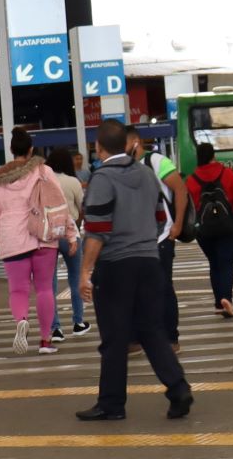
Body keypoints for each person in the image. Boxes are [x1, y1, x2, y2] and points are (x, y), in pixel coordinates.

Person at [77, 120, 193, 421]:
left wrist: (85, 271)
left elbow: (97, 230)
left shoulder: (102, 179)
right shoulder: (145, 173)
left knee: (115, 337)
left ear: (98, 147)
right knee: (152, 330)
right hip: (149, 261)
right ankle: (178, 388)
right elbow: (158, 217)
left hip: (116, 266)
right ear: (128, 144)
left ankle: (112, 404)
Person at [0, 128, 78, 356]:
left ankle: (21, 320)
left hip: (12, 239)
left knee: (17, 290)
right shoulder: (43, 171)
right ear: (31, 150)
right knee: (44, 289)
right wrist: (70, 233)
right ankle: (46, 341)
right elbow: (59, 205)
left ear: (11, 150)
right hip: (42, 236)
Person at [127, 129, 188, 351]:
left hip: (161, 236)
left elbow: (180, 189)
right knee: (134, 288)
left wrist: (178, 224)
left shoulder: (156, 160)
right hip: (134, 240)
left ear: (135, 142)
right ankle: (134, 338)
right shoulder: (124, 166)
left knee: (162, 287)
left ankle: (171, 337)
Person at [187, 142, 233, 319]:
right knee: (227, 263)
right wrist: (231, 212)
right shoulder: (227, 173)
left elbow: (189, 205)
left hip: (204, 230)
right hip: (228, 227)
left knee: (214, 264)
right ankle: (226, 299)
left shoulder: (191, 179)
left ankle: (218, 303)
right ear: (214, 155)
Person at [45, 147, 90, 342]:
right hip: (70, 233)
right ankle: (78, 322)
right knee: (75, 277)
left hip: (48, 236)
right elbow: (83, 207)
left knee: (50, 282)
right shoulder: (73, 182)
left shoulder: (43, 181)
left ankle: (55, 328)